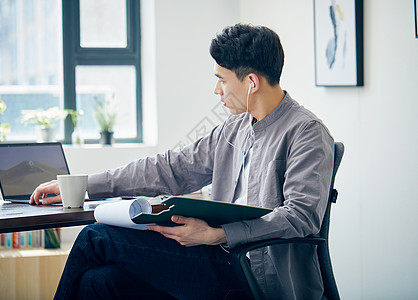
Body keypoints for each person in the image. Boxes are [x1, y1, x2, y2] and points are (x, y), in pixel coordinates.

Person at [30, 23, 334, 299]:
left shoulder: (306, 132)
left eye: (222, 80)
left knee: (93, 238)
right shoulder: (234, 127)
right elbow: (170, 168)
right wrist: (84, 185)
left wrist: (220, 234)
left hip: (254, 275)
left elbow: (300, 216)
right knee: (99, 281)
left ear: (251, 82)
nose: (217, 90)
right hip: (217, 256)